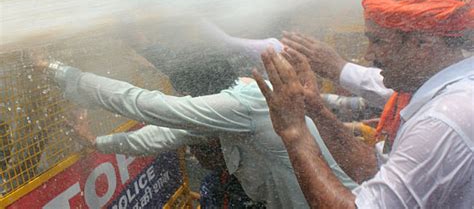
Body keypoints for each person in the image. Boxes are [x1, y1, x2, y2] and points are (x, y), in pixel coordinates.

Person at [254, 0, 473, 208]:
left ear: (423, 43)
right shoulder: (447, 96)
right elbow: (374, 170)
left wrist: (294, 132)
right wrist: (315, 108)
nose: (369, 55)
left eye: (378, 41)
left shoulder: (443, 120)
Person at [34, 46, 358, 208]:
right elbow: (163, 135)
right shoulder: (229, 106)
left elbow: (146, 104)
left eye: (185, 94)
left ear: (198, 91)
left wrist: (60, 71)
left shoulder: (240, 104)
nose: (183, 99)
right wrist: (99, 142)